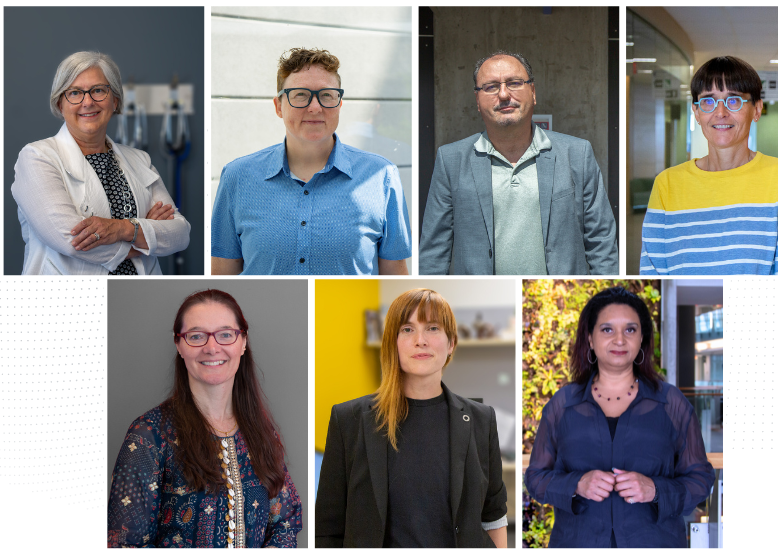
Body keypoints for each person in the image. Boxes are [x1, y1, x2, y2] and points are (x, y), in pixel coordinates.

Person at [108, 290, 302, 547]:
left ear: (243, 342)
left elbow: (285, 523)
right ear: (179, 345)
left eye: (225, 335)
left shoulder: (262, 432)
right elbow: (127, 544)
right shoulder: (149, 435)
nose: (212, 348)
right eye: (196, 336)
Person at [316, 288, 508, 547]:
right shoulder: (348, 420)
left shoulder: (481, 420)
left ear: (451, 343)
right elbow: (327, 529)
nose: (421, 340)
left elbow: (493, 516)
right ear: (392, 342)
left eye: (432, 328)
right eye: (407, 329)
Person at [525, 287, 715, 547]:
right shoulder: (562, 405)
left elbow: (701, 479)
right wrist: (577, 484)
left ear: (641, 339)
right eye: (607, 329)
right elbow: (535, 477)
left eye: (630, 329)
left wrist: (656, 489)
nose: (619, 340)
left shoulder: (672, 404)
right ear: (590, 339)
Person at [211, 47, 411, 275]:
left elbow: (396, 280)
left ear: (339, 104)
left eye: (326, 95)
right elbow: (223, 278)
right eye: (300, 95)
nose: (315, 107)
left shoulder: (382, 176)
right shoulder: (237, 177)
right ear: (279, 106)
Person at [420, 50, 618, 275]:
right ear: (477, 100)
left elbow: (601, 240)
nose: (504, 94)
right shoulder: (451, 160)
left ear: (533, 92)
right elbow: (434, 252)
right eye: (491, 86)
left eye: (514, 83)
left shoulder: (577, 153)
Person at [11, 51, 190, 275]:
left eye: (98, 90)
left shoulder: (140, 160)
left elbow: (180, 234)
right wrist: (145, 236)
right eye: (75, 93)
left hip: (139, 298)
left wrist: (122, 228)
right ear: (60, 104)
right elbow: (72, 242)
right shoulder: (37, 157)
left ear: (115, 100)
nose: (88, 102)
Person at [640, 55, 778, 275]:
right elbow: (652, 271)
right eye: (708, 101)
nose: (720, 113)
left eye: (734, 100)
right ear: (697, 112)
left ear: (756, 109)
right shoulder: (666, 183)